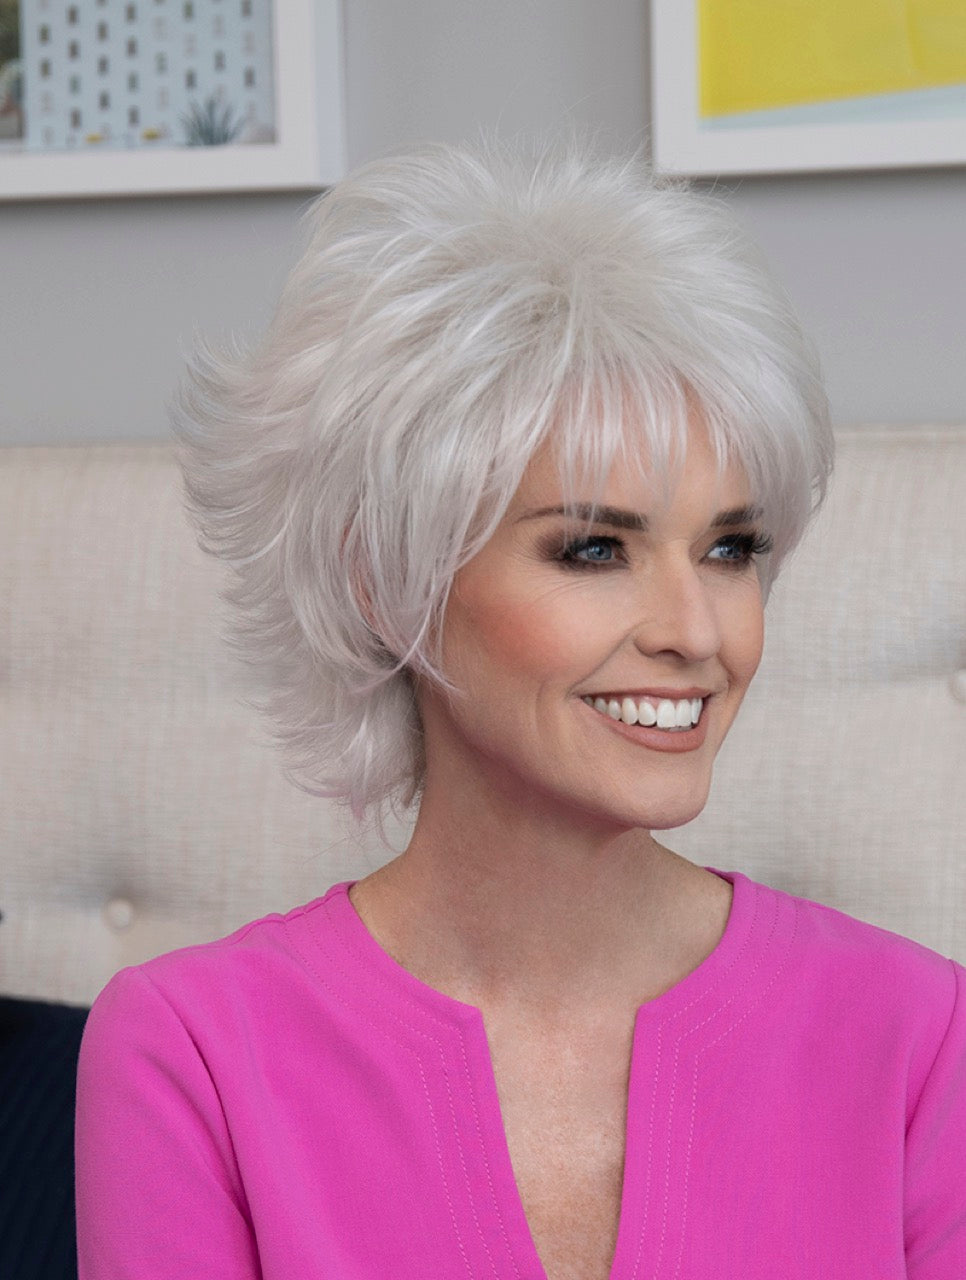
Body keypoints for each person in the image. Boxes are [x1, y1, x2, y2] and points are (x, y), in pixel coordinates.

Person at [75, 140, 965, 1279]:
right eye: (594, 548)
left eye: (731, 548)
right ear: (385, 581)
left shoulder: (917, 1035)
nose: (697, 631)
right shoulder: (191, 1051)